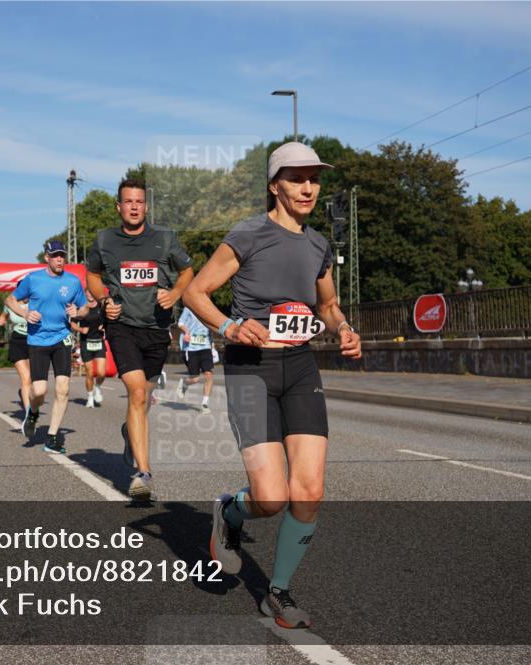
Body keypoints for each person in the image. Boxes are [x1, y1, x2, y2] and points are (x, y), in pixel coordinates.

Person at [183, 142, 362, 629]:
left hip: (300, 367)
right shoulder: (249, 234)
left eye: (314, 179)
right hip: (250, 368)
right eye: (296, 178)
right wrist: (229, 326)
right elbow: (196, 292)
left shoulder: (318, 245)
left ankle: (277, 592)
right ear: (274, 185)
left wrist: (344, 329)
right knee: (270, 497)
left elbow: (327, 306)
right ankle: (230, 511)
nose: (308, 188)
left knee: (309, 491)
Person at [85, 176, 194, 500]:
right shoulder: (105, 239)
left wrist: (174, 293)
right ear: (118, 206)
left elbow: (187, 272)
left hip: (156, 328)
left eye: (139, 202)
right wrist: (104, 300)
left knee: (143, 398)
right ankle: (143, 474)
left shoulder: (164, 238)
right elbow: (92, 275)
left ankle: (129, 432)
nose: (134, 207)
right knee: (135, 392)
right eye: (128, 202)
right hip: (122, 326)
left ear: (146, 206)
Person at [6, 241, 88, 454]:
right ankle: (32, 412)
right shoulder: (33, 279)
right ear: (47, 258)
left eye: (62, 255)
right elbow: (10, 299)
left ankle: (52, 437)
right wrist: (25, 313)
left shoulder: (73, 281)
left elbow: (85, 307)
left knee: (63, 388)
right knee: (40, 390)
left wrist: (78, 313)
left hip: (62, 338)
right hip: (38, 340)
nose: (60, 259)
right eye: (55, 255)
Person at [175, 306, 214, 414]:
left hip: (206, 346)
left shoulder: (209, 307)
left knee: (209, 374)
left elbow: (211, 325)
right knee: (195, 378)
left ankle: (204, 404)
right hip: (191, 347)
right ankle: (184, 383)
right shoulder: (189, 308)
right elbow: (180, 323)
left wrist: (212, 343)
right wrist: (186, 332)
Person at [71, 291, 107, 408]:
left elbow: (108, 319)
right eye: (88, 293)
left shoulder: (101, 306)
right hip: (86, 343)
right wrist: (81, 330)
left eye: (92, 293)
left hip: (99, 342)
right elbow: (73, 323)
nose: (90, 295)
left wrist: (104, 326)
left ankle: (98, 387)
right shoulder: (81, 307)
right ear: (85, 294)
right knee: (90, 373)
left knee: (101, 372)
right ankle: (90, 397)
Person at [0, 296, 32, 418]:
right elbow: (3, 315)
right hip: (18, 341)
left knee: (34, 379)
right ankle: (29, 413)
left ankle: (22, 392)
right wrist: (2, 320)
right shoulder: (11, 304)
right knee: (26, 378)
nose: (26, 296)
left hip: (35, 342)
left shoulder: (37, 302)